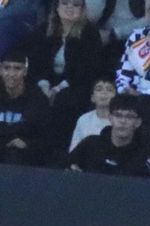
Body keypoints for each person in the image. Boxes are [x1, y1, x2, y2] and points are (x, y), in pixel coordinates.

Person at [26, 0, 112, 158]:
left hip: (77, 84)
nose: (69, 8)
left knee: (64, 100)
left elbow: (87, 70)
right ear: (57, 8)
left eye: (75, 5)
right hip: (47, 83)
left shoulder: (89, 33)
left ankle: (60, 152)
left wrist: (59, 88)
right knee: (37, 99)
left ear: (82, 9)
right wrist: (45, 85)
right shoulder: (45, 30)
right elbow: (36, 63)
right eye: (65, 4)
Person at [69, 90, 150, 172]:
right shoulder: (90, 144)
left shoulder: (142, 155)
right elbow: (64, 167)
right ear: (110, 118)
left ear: (138, 122)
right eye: (118, 115)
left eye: (129, 116)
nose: (123, 121)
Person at [0, 49, 48, 164]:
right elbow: (25, 127)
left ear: (25, 71)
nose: (11, 74)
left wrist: (28, 144)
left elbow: (46, 136)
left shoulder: (38, 99)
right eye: (7, 68)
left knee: (15, 153)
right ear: (0, 70)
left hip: (24, 157)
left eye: (17, 68)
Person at [68, 75, 116, 154]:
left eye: (109, 90)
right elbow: (73, 150)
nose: (104, 92)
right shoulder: (83, 119)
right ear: (92, 97)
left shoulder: (120, 119)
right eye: (99, 89)